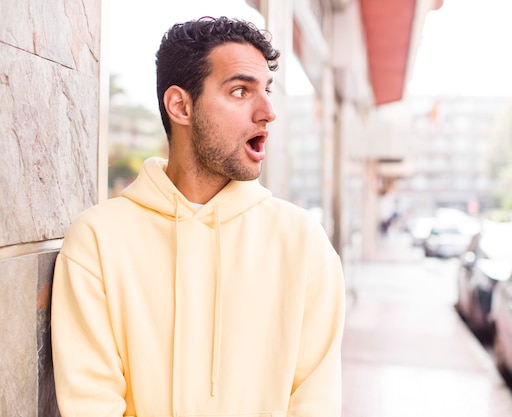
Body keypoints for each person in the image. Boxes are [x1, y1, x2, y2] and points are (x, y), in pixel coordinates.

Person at [51, 16, 346, 417]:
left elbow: (315, 402)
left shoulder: (303, 243)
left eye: (267, 91)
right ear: (180, 106)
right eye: (240, 91)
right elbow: (91, 403)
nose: (267, 112)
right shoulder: (98, 241)